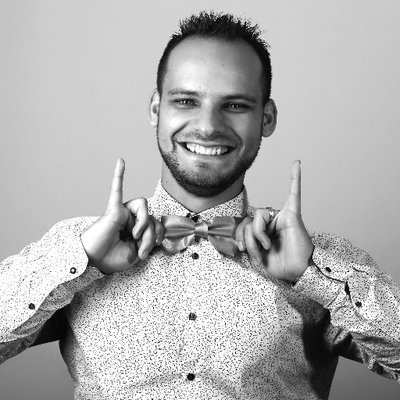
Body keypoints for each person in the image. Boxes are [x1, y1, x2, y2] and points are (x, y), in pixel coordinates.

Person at [1, 11, 399, 400]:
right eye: (186, 101)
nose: (208, 126)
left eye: (235, 105)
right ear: (156, 109)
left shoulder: (321, 263)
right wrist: (80, 261)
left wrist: (314, 274)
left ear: (267, 118)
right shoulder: (78, 249)